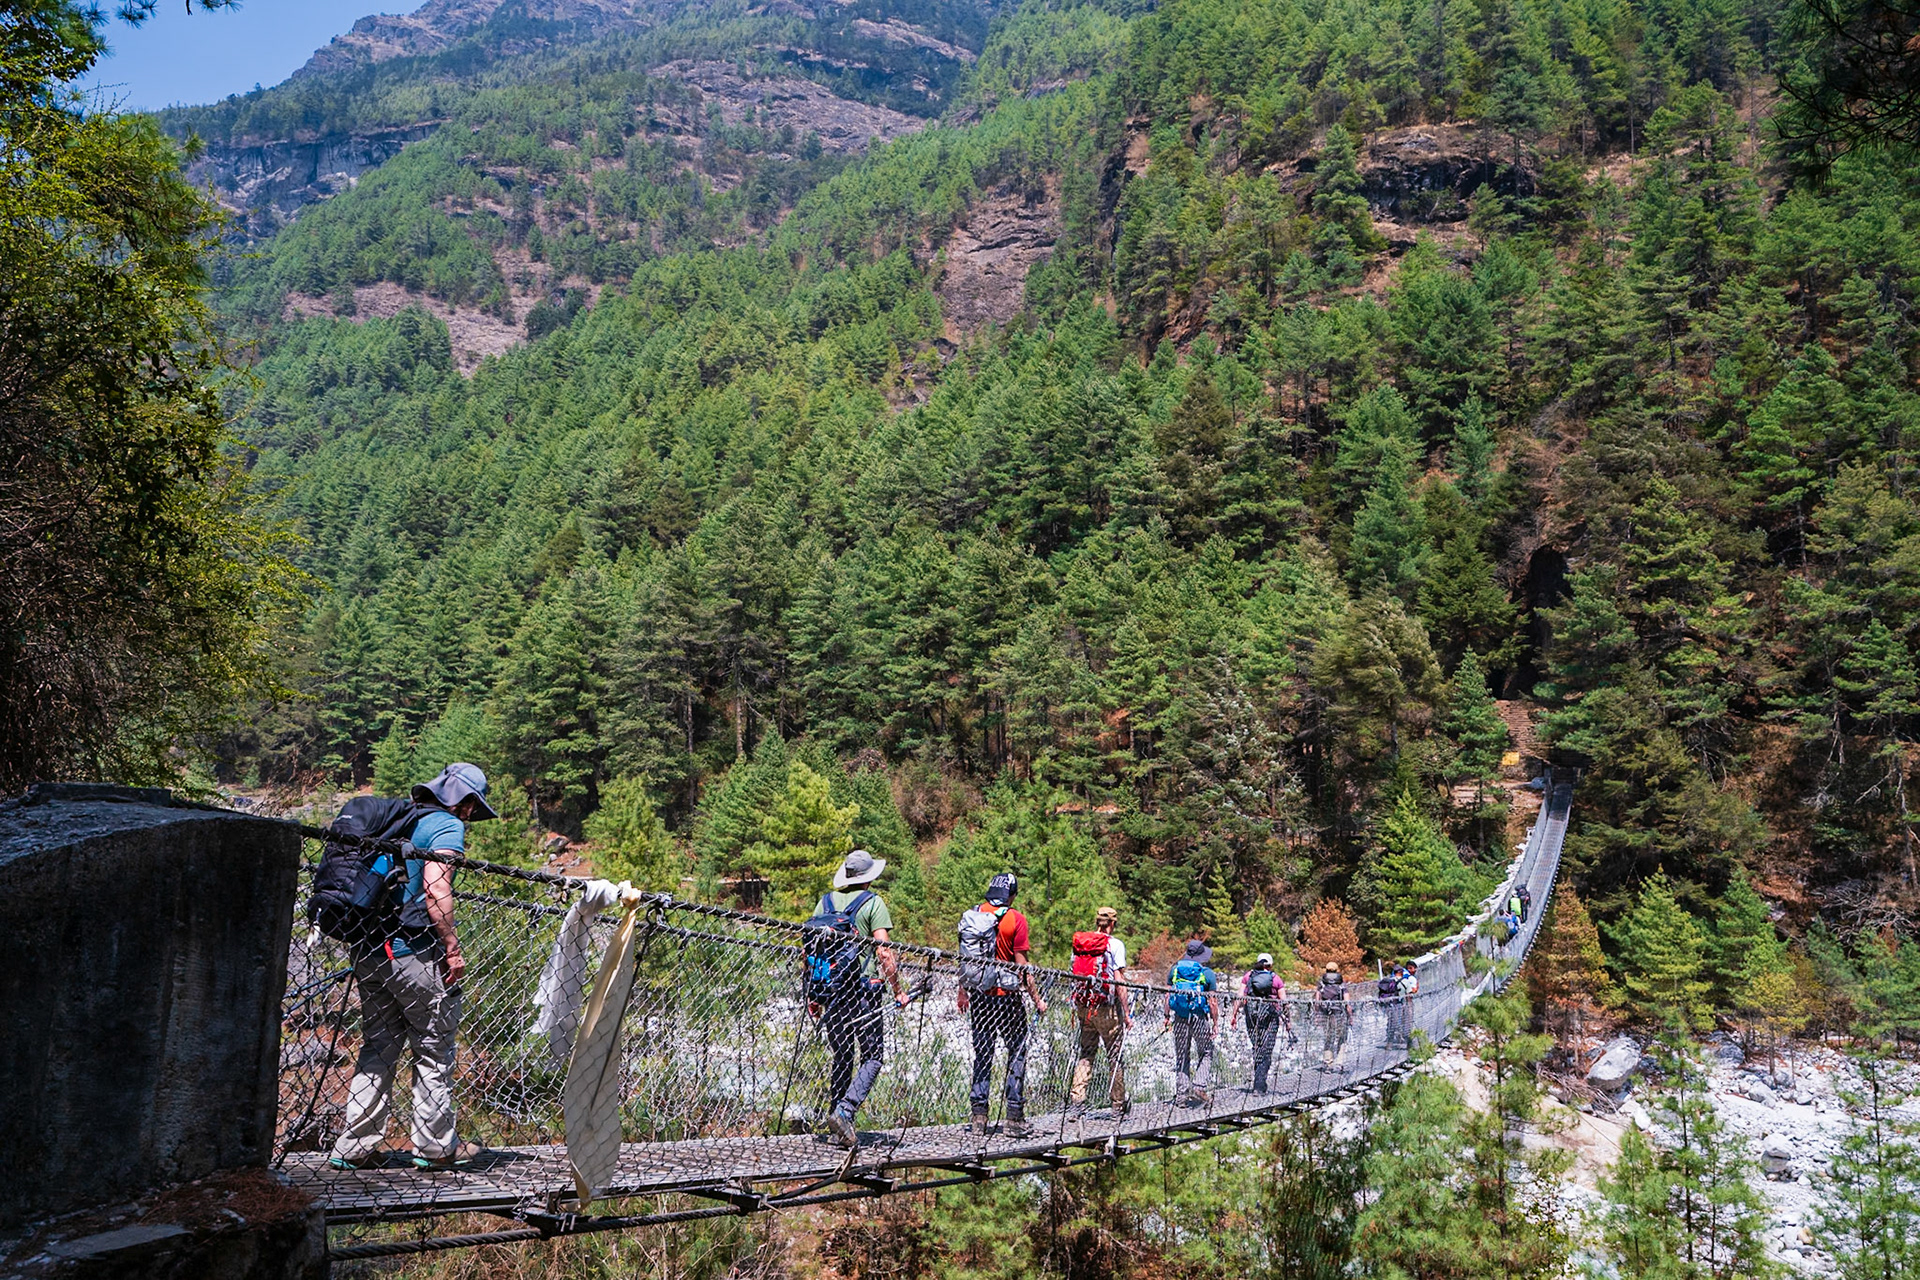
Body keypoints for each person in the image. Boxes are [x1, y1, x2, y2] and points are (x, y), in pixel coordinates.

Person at [329, 763, 497, 1171]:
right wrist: (453, 948)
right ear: (466, 802)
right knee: (433, 1050)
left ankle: (355, 1146)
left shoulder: (397, 819)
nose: (472, 817)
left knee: (378, 1047)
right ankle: (436, 1148)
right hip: (414, 953)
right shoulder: (446, 826)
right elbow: (436, 887)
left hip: (368, 951)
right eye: (474, 808)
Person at [810, 849, 911, 1149]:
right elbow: (884, 953)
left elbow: (811, 951)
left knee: (842, 1055)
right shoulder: (873, 903)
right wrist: (898, 990)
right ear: (869, 877)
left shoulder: (825, 902)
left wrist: (813, 994)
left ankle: (836, 1124)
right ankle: (844, 1112)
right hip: (863, 990)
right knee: (873, 1056)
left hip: (831, 992)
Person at [957, 873, 1048, 1137]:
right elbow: (1022, 966)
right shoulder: (1015, 919)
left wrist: (962, 992)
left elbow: (964, 960)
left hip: (980, 997)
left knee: (983, 1055)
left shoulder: (973, 915)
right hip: (1007, 997)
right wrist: (1037, 999)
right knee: (1017, 1052)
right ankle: (1014, 1118)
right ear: (1011, 895)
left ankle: (979, 1116)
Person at [1067, 905, 1131, 1118]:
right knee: (1114, 1055)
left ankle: (1077, 1100)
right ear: (1113, 924)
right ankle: (1118, 1105)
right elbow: (1119, 980)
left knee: (1086, 1054)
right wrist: (1127, 1012)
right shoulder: (1115, 945)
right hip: (1106, 1008)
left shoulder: (1082, 943)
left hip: (1085, 1006)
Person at [1164, 939, 1219, 1106]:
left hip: (1179, 1017)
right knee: (1207, 1052)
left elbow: (1167, 996)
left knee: (1182, 1055)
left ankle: (1181, 1097)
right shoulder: (1207, 973)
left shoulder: (1175, 970)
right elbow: (1213, 1001)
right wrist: (1215, 1023)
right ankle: (1199, 1086)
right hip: (1199, 1018)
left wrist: (1166, 1016)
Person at [1230, 953, 1288, 1094]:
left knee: (1257, 1047)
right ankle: (1259, 1084)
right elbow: (1284, 1002)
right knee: (1266, 1049)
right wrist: (1288, 1021)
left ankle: (1258, 1082)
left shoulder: (1248, 976)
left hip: (1251, 1016)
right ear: (1270, 965)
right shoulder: (1275, 978)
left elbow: (1240, 996)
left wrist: (1234, 1015)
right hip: (1270, 1017)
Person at [1314, 961, 1352, 1070]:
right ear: (1337, 970)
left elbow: (1317, 1002)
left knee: (1328, 1037)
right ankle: (1339, 1062)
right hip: (1339, 1014)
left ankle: (1328, 1063)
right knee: (1342, 1037)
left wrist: (1317, 1015)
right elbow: (1347, 1003)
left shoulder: (1321, 984)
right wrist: (1350, 1016)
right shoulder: (1341, 984)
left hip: (1326, 1015)